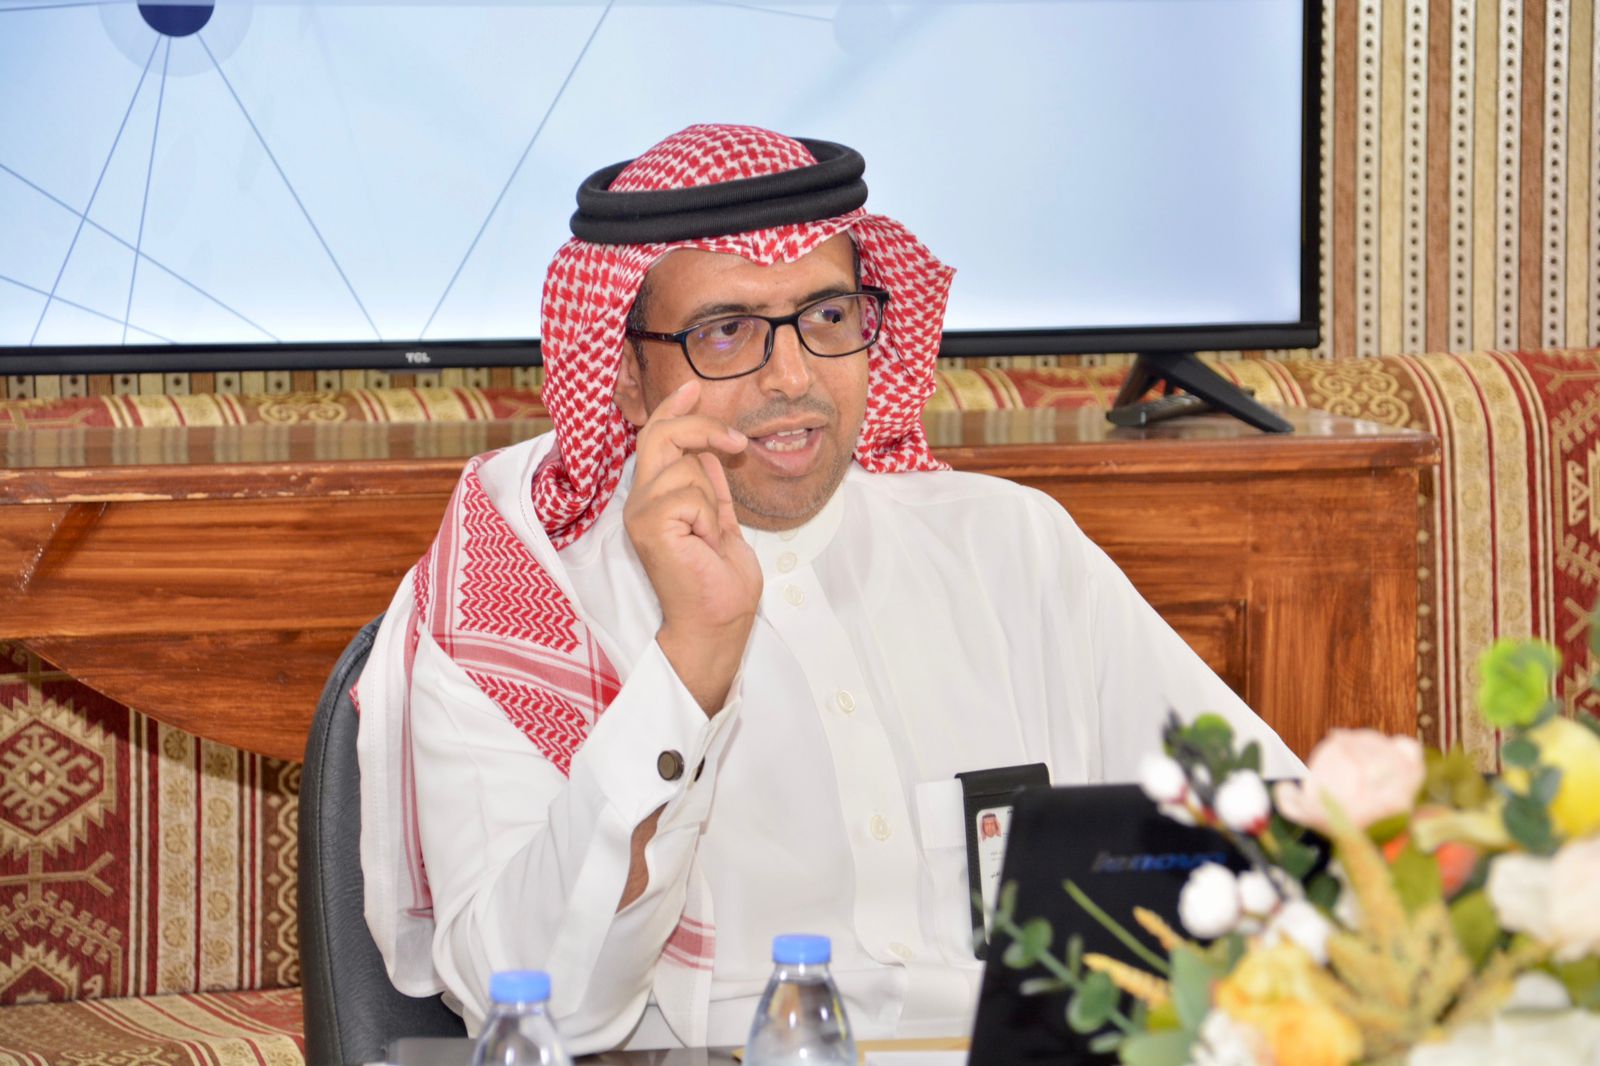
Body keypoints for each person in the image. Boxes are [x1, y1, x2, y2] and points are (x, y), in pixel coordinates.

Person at [355, 124, 1300, 1053]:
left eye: (828, 317)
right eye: (727, 332)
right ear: (628, 378)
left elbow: (1278, 844)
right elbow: (539, 1011)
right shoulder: (520, 607)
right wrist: (692, 662)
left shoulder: (1010, 547)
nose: (793, 375)